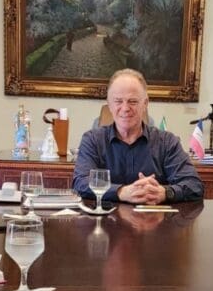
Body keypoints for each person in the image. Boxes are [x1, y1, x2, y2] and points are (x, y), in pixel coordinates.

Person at [72, 68, 203, 204]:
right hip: (106, 222)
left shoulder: (167, 142)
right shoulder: (93, 140)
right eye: (118, 101)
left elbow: (194, 185)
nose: (125, 108)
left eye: (132, 101)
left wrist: (165, 192)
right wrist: (121, 192)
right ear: (109, 104)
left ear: (145, 104)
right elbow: (80, 183)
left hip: (156, 222)